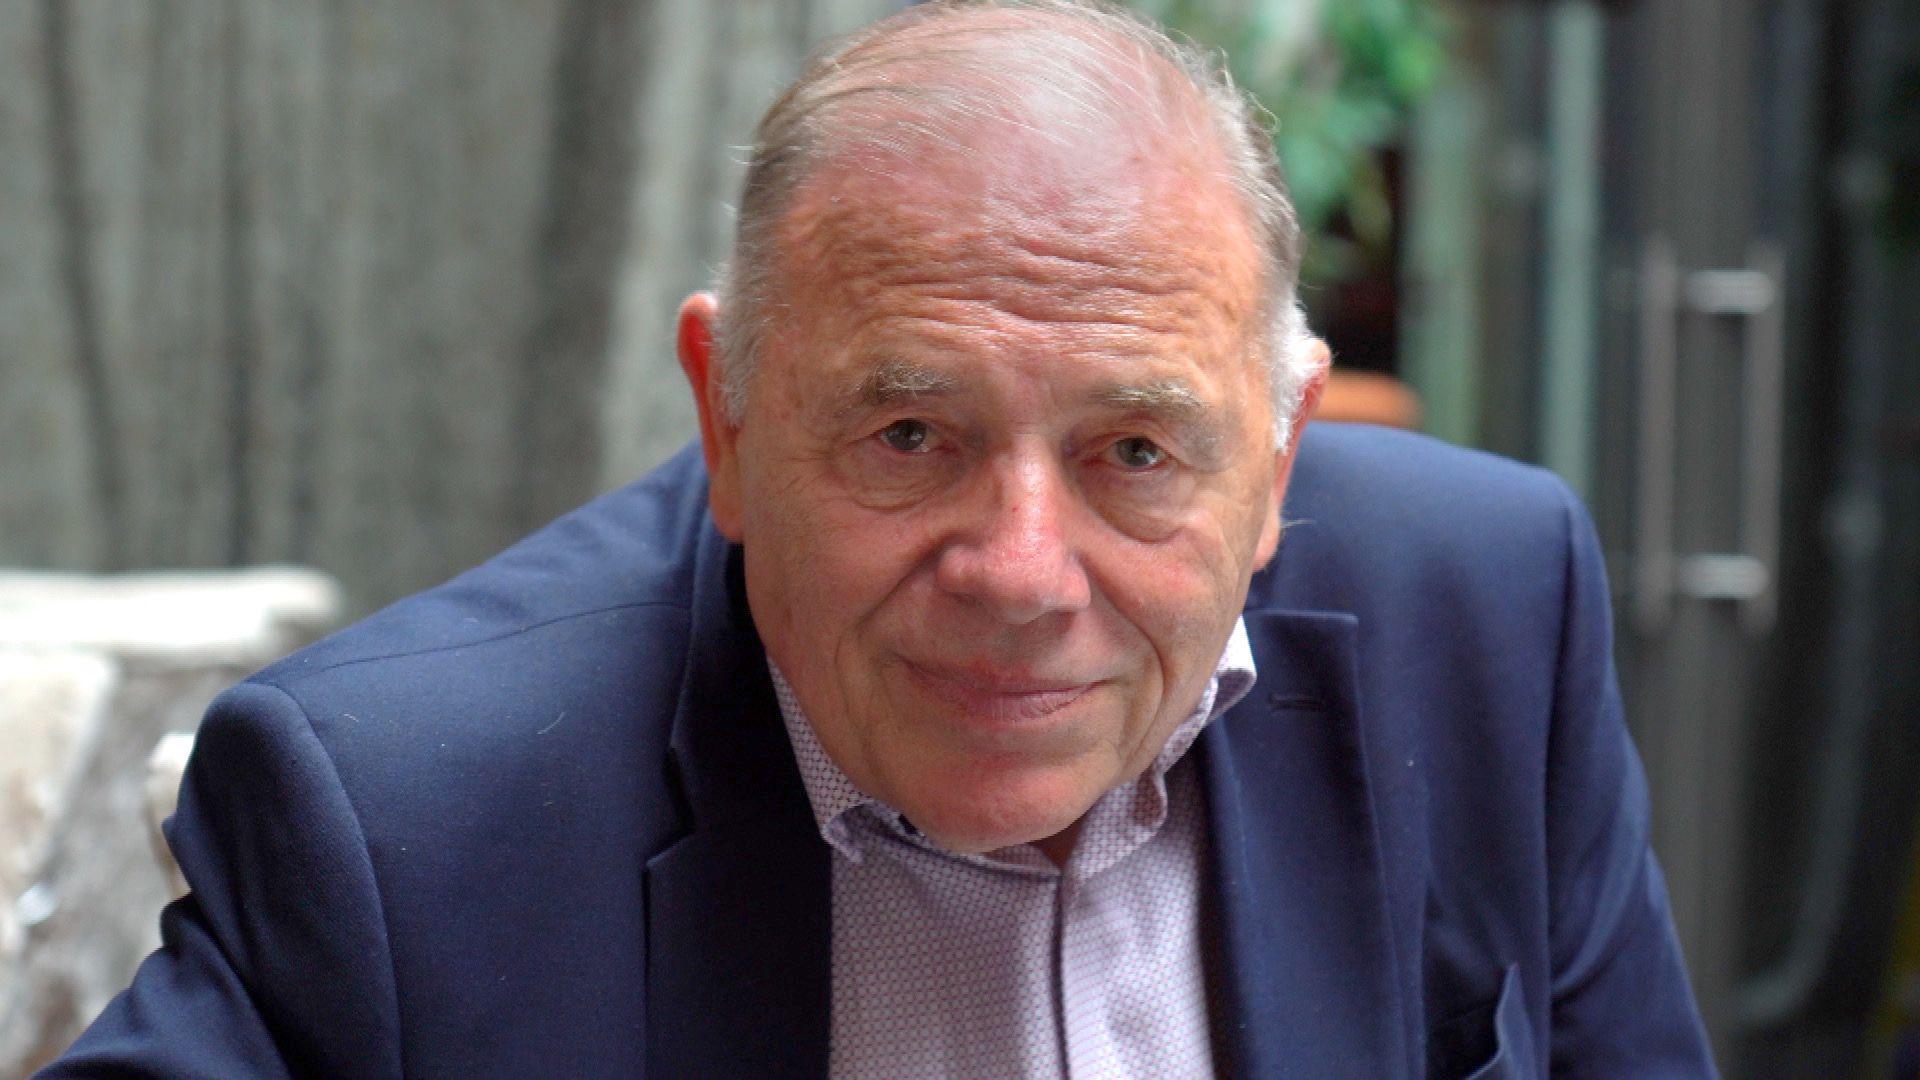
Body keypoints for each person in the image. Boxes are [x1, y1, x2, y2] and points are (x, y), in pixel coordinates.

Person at [43, 1, 1714, 1076]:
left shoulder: (1489, 613)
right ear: (733, 422)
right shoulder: (403, 814)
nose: (1021, 573)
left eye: (1137, 450)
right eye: (912, 435)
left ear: (1278, 458)